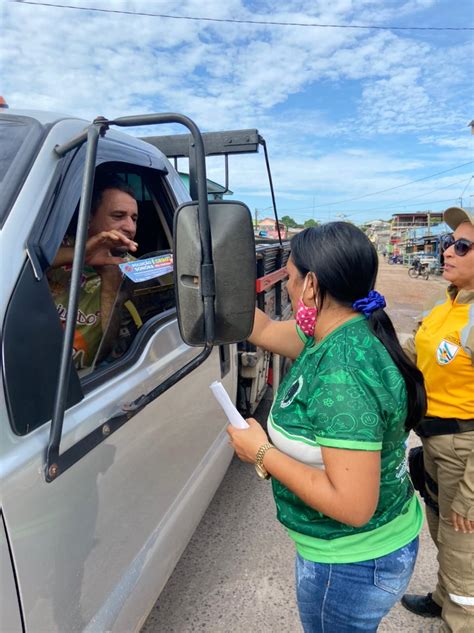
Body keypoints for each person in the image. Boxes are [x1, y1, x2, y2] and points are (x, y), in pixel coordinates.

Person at [228, 222, 427, 633]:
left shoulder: (343, 372)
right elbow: (263, 329)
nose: (287, 285)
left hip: (352, 562)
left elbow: (353, 507)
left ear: (312, 285)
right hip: (371, 546)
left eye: (290, 276)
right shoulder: (335, 331)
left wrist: (261, 452)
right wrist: (209, 287)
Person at [401, 206, 474, 632]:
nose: (448, 250)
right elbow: (418, 351)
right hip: (434, 443)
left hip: (464, 451)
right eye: (450, 243)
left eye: (462, 246)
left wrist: (470, 490)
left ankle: (461, 620)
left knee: (464, 544)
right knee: (444, 533)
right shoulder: (447, 303)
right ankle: (444, 599)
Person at [48, 174, 138, 370]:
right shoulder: (56, 246)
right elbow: (16, 263)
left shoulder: (135, 271)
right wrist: (81, 254)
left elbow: (111, 351)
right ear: (89, 218)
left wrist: (110, 284)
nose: (130, 227)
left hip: (80, 381)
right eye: (118, 216)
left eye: (134, 218)